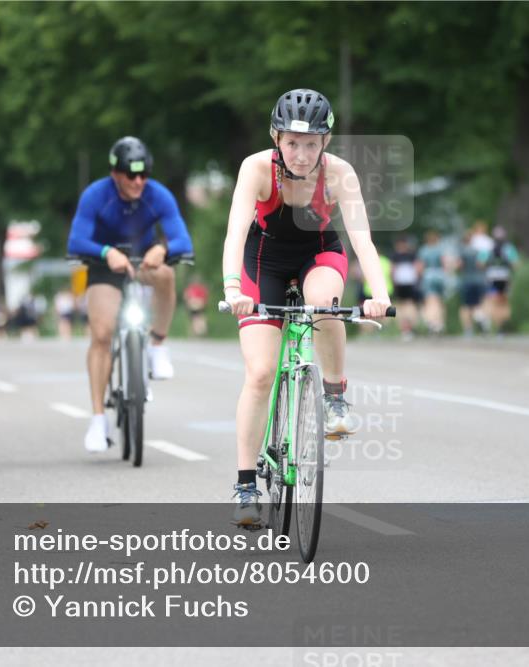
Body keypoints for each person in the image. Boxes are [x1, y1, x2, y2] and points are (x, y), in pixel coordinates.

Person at [220, 88, 392, 528]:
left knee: (323, 305)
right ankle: (245, 484)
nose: (301, 153)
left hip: (319, 253)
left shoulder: (340, 174)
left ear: (326, 143)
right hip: (265, 260)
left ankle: (334, 397)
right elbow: (236, 231)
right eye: (292, 142)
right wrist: (233, 287)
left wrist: (379, 293)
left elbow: (362, 240)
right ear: (276, 138)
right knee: (259, 373)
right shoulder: (256, 168)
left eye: (311, 143)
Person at [68, 136, 194, 453]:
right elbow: (76, 240)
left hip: (142, 261)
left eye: (143, 175)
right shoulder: (96, 195)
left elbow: (182, 239)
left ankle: (157, 345)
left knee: (166, 274)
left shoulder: (158, 195)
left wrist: (162, 248)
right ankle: (98, 419)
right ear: (115, 173)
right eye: (130, 175)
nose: (138, 181)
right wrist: (106, 251)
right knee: (102, 333)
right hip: (105, 265)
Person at [483, 225, 519, 334]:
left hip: (491, 277)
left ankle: (488, 321)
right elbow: (516, 264)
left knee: (492, 300)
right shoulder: (509, 248)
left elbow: (481, 263)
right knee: (503, 302)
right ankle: (500, 326)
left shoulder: (488, 247)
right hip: (504, 277)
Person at [416, 230, 450, 335]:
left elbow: (420, 267)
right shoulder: (440, 249)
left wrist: (421, 276)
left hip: (428, 276)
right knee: (439, 301)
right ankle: (440, 323)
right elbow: (445, 265)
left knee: (431, 301)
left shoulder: (424, 250)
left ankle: (432, 322)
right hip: (439, 276)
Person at [390, 235, 421, 341]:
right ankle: (409, 328)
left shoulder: (395, 256)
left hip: (400, 284)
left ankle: (405, 329)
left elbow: (392, 270)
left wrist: (393, 282)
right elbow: (418, 268)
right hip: (410, 283)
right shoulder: (411, 255)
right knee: (409, 305)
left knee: (402, 307)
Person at [457, 228, 487, 337]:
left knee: (466, 307)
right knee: (478, 304)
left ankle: (468, 329)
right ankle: (481, 318)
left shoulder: (462, 251)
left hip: (467, 280)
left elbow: (460, 266)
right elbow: (481, 265)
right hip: (479, 280)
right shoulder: (478, 251)